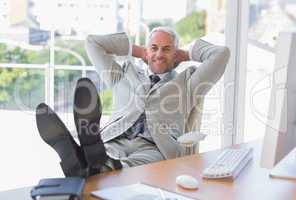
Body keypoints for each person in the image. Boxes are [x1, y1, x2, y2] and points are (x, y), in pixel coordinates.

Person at [36, 26, 230, 177]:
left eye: (167, 49)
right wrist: (138, 51)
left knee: (134, 164)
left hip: (155, 146)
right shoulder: (123, 74)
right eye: (154, 48)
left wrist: (187, 54)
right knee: (104, 155)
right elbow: (92, 43)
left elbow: (221, 54)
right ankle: (90, 157)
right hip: (116, 138)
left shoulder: (189, 83)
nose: (159, 54)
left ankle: (84, 160)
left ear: (175, 54)